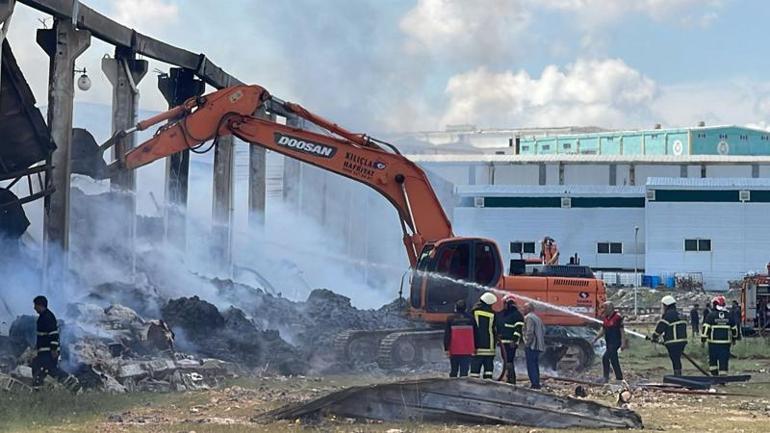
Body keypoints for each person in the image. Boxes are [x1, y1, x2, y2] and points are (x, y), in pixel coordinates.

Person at [31, 296, 80, 392]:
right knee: (42, 368)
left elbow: (54, 334)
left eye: (35, 305)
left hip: (48, 351)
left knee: (50, 369)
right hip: (44, 351)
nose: (34, 308)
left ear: (40, 305)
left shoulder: (48, 317)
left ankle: (72, 384)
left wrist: (54, 349)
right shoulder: (43, 317)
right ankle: (38, 388)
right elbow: (42, 336)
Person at [701, 295, 740, 376]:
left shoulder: (711, 316)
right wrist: (734, 339)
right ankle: (722, 379)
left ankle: (715, 377)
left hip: (713, 344)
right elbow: (734, 330)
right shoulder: (729, 316)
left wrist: (703, 340)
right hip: (725, 344)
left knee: (713, 360)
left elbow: (705, 329)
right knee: (724, 360)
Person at [650, 295, 688, 375]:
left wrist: (654, 336)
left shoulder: (668, 315)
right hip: (683, 341)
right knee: (677, 359)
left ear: (666, 305)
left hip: (673, 342)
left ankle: (677, 376)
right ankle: (678, 374)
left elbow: (660, 327)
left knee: (675, 359)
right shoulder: (680, 315)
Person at [592, 301, 626, 383]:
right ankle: (619, 378)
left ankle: (605, 377)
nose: (603, 310)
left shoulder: (617, 317)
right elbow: (603, 330)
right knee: (614, 359)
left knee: (605, 358)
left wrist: (623, 342)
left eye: (604, 307)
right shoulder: (606, 318)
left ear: (610, 308)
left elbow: (622, 331)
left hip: (615, 342)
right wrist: (595, 338)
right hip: (609, 341)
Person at [496, 295, 524, 384]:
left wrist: (514, 340)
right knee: (506, 360)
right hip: (502, 342)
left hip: (511, 343)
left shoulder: (517, 315)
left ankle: (511, 379)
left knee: (509, 361)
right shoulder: (501, 314)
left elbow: (518, 329)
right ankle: (508, 377)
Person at [443, 299, 475, 378]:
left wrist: (446, 348)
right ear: (466, 308)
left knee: (454, 371)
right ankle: (463, 388)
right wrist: (476, 347)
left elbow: (447, 335)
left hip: (454, 350)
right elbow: (476, 334)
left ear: (455, 308)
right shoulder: (471, 319)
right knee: (464, 373)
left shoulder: (450, 319)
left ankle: (453, 388)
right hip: (467, 350)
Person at [470, 292, 498, 379]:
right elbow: (496, 329)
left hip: (476, 344)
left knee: (475, 368)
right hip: (490, 344)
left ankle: (474, 385)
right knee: (488, 368)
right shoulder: (493, 314)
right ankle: (488, 384)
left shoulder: (474, 312)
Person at [522, 302, 545, 389]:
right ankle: (536, 382)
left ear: (528, 309)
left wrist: (527, 343)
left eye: (524, 308)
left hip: (532, 346)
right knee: (535, 365)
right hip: (539, 346)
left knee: (531, 365)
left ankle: (534, 384)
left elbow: (529, 332)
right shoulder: (537, 318)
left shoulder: (528, 318)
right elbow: (543, 330)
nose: (523, 310)